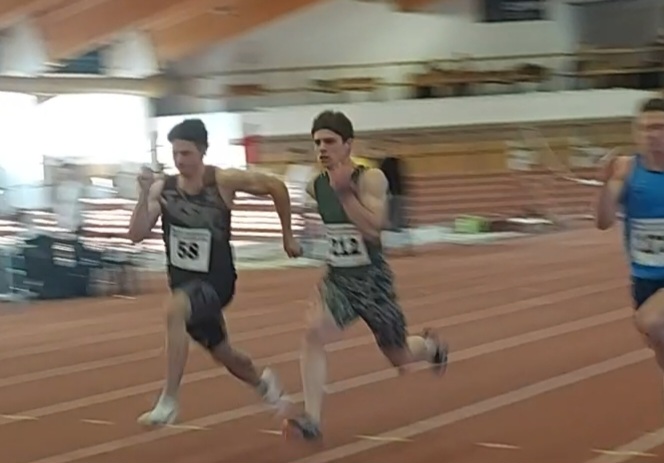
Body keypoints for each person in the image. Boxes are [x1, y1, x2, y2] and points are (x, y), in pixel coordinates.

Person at [282, 110, 449, 441]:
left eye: (330, 142)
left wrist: (345, 194)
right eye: (317, 143)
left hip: (373, 282)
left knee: (399, 356)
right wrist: (293, 237)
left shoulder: (371, 179)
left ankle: (430, 347)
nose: (322, 148)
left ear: (348, 145)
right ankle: (312, 419)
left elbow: (374, 229)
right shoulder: (316, 185)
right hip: (340, 280)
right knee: (313, 332)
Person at [128, 118, 301, 426]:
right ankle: (265, 386)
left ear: (202, 151)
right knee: (225, 354)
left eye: (186, 153)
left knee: (174, 309)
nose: (180, 160)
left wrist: (287, 235)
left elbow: (276, 186)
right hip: (183, 282)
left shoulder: (222, 181)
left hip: (217, 281)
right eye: (175, 153)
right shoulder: (163, 189)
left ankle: (169, 400)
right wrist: (142, 195)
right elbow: (136, 234)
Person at [595, 96, 664, 373]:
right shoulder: (626, 171)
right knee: (658, 341)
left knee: (652, 320)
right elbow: (604, 222)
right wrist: (606, 181)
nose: (652, 135)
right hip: (644, 276)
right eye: (645, 128)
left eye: (659, 127)